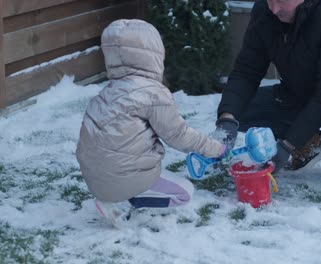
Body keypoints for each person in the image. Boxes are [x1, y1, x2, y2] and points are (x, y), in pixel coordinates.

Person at [215, 0, 321, 189]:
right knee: (241, 106)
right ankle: (311, 143)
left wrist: (288, 144)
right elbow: (246, 71)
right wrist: (227, 119)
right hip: (301, 93)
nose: (274, 9)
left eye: (281, 1)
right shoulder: (264, 12)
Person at [76, 19, 230, 227]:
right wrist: (216, 149)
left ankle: (112, 196)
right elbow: (178, 135)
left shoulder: (107, 93)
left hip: (95, 180)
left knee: (131, 169)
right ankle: (124, 203)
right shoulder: (152, 93)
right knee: (184, 193)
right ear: (153, 54)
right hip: (124, 179)